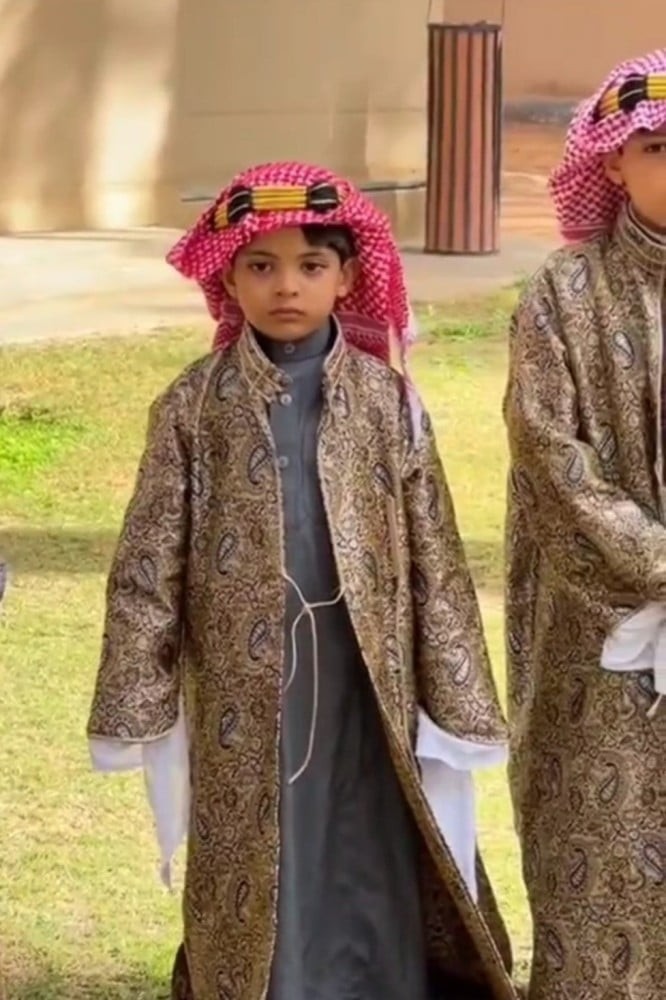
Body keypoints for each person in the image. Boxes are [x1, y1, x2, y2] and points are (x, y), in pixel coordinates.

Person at [87, 161, 518, 1000]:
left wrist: (457, 694)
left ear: (347, 277)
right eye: (262, 265)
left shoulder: (389, 403)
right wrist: (135, 696)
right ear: (228, 278)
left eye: (311, 265)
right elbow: (147, 564)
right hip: (247, 687)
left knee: (369, 817)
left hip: (369, 673)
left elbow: (434, 555)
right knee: (267, 832)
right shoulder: (193, 406)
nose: (287, 286)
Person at [504, 51, 666, 1000]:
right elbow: (549, 455)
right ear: (612, 161)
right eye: (659, 146)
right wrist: (656, 566)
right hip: (597, 625)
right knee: (593, 838)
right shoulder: (562, 293)